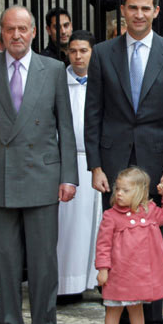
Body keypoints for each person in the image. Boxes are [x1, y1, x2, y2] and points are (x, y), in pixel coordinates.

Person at [85, 0, 163, 324]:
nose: (139, 15)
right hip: (114, 165)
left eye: (146, 9)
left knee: (152, 246)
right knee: (117, 245)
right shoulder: (101, 53)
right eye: (132, 8)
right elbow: (93, 112)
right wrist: (96, 165)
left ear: (156, 11)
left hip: (155, 162)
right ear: (123, 9)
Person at [0, 5, 78, 324]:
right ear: (1, 32)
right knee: (4, 260)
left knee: (44, 261)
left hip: (43, 176)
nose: (16, 35)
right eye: (10, 29)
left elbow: (65, 127)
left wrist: (68, 177)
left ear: (34, 32)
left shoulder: (54, 69)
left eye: (23, 29)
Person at [96, 167, 163, 324]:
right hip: (118, 274)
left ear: (140, 192)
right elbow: (103, 245)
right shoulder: (111, 216)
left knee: (136, 307)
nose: (119, 194)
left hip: (138, 275)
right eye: (118, 189)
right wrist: (103, 269)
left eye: (125, 190)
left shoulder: (149, 211)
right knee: (113, 309)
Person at [56, 30, 100, 301]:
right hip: (69, 160)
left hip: (95, 161)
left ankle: (98, 281)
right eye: (73, 51)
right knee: (69, 228)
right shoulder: (58, 81)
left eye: (83, 50)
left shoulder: (101, 80)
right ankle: (68, 285)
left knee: (98, 225)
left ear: (92, 53)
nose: (78, 56)